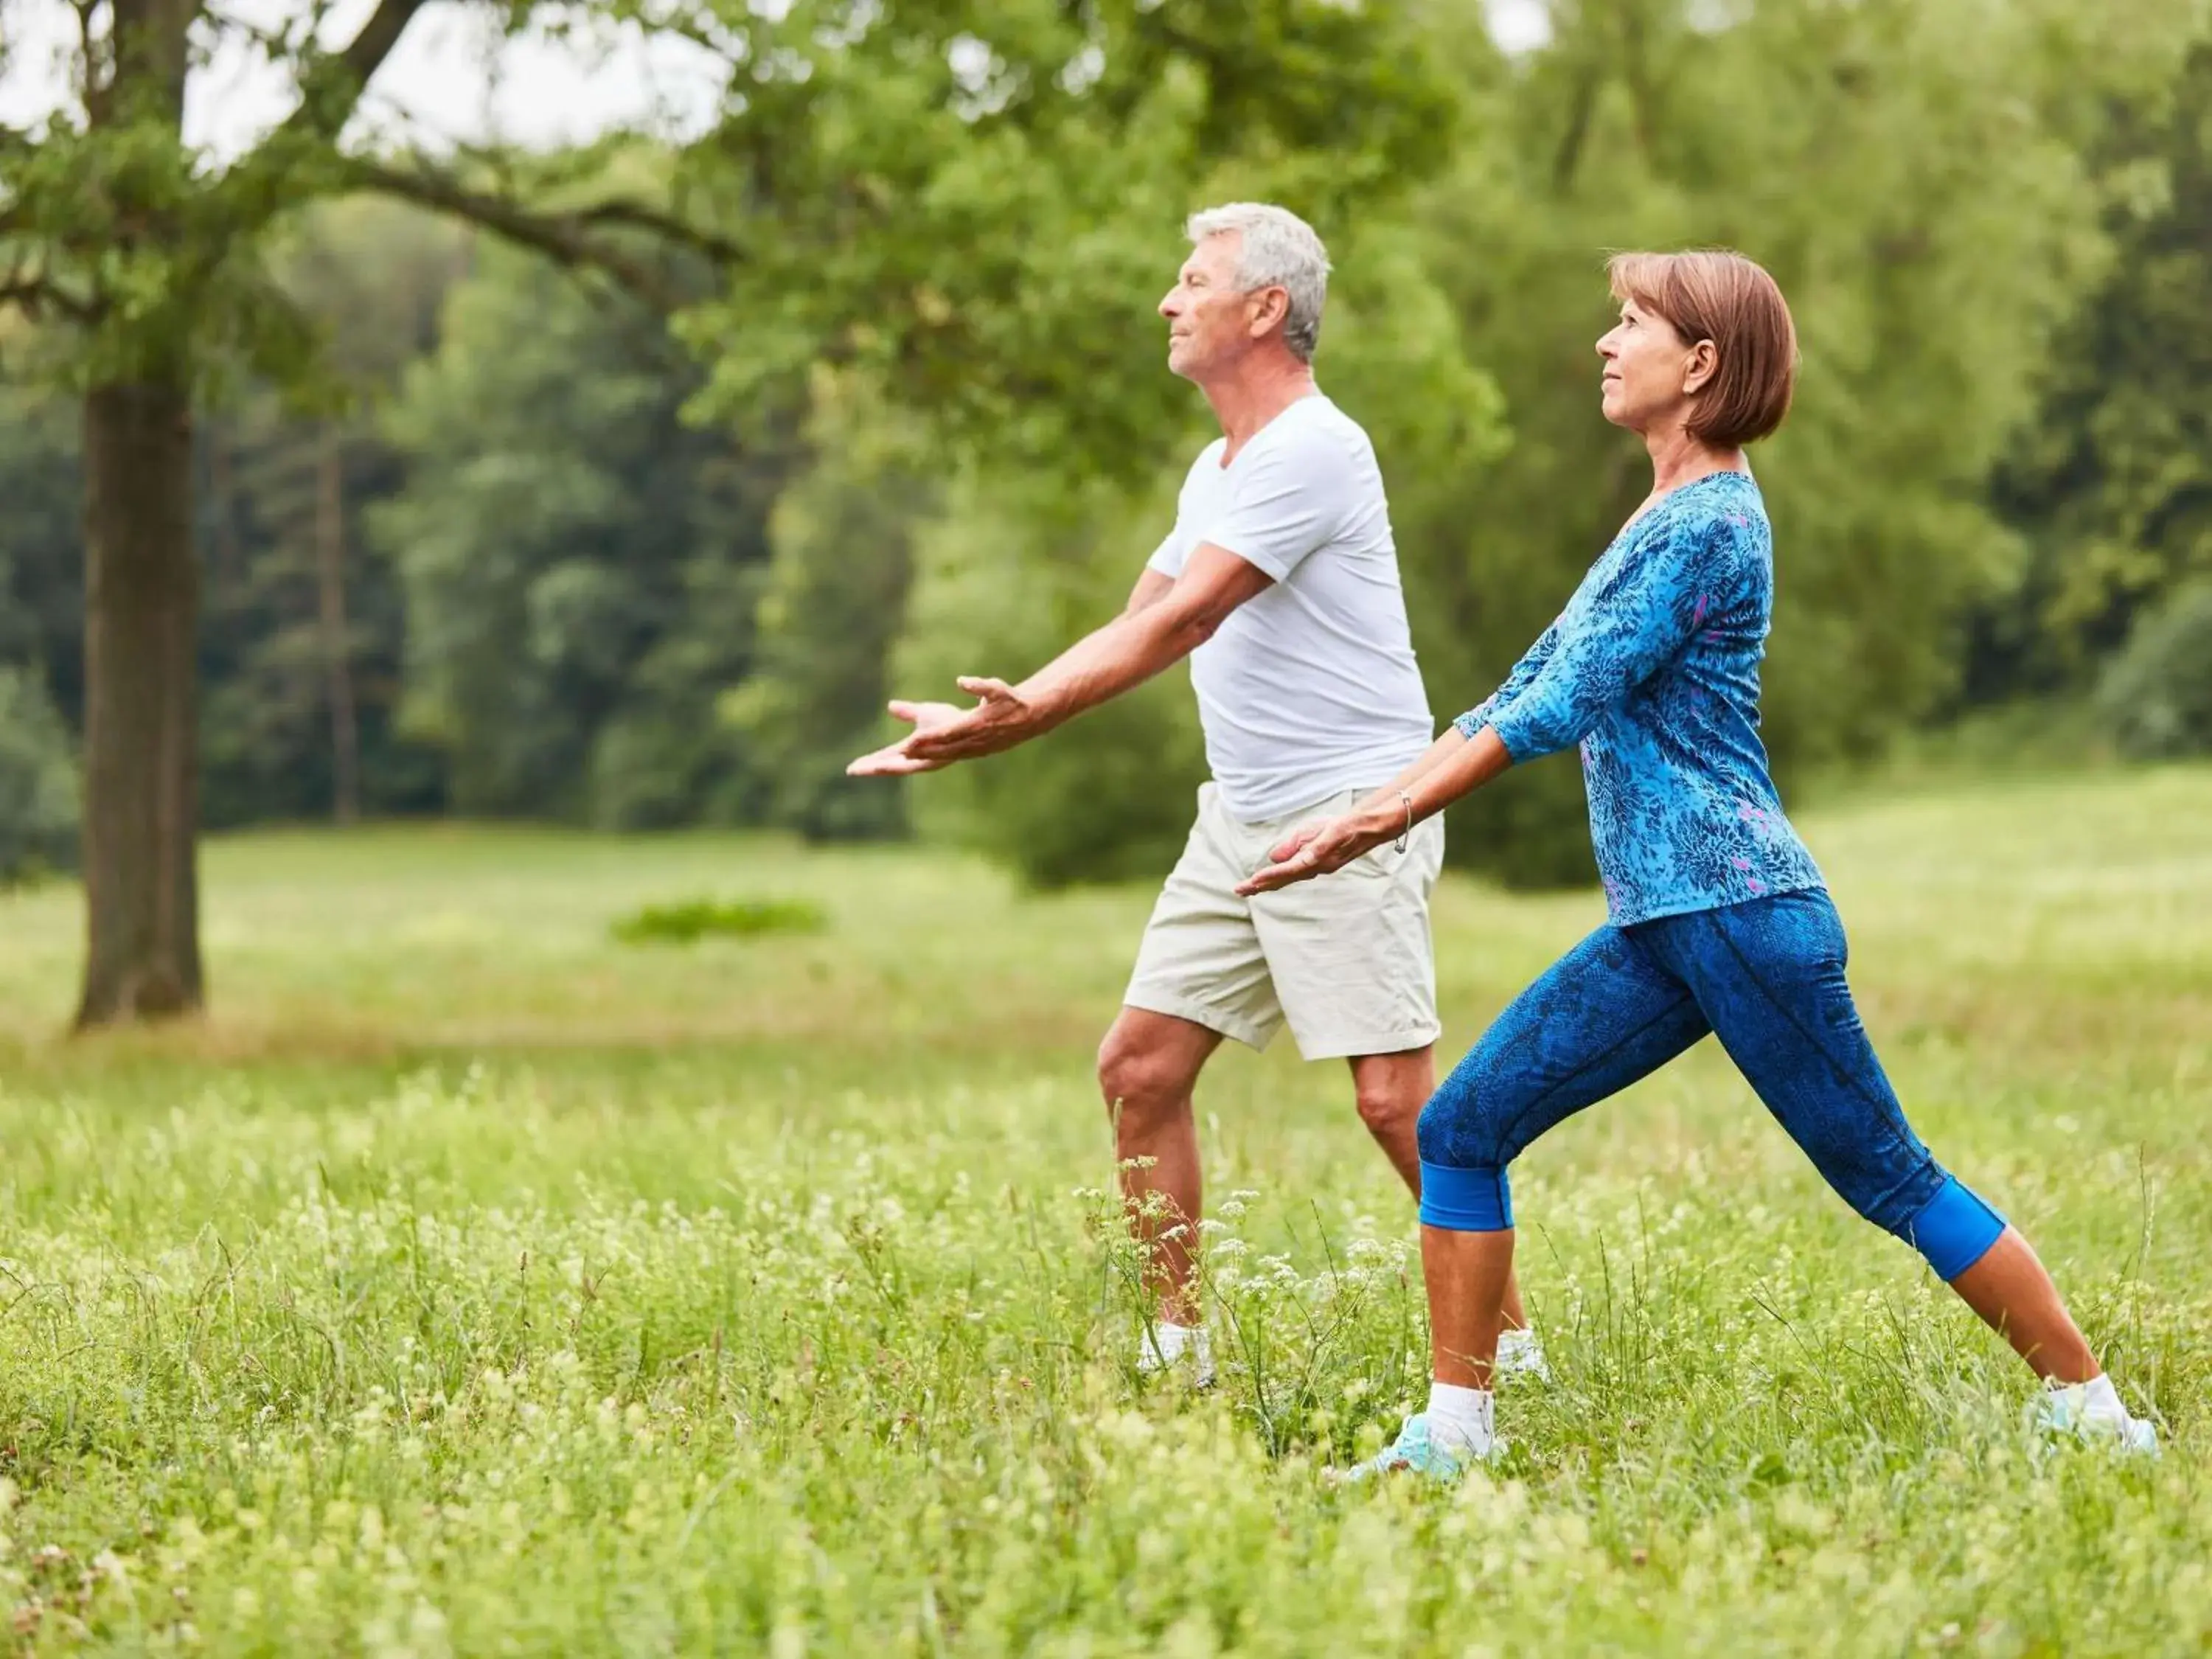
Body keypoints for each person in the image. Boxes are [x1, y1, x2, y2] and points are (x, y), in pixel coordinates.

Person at [1236, 248, 2159, 1474]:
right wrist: (1370, 802)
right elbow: (1524, 681)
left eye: (1634, 323)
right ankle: (1454, 1436)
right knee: (1461, 1127)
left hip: (1737, 906)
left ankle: (2094, 1414)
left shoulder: (1711, 521)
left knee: (1884, 1171)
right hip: (1667, 922)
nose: (1608, 343)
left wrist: (1379, 822)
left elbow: (1561, 702)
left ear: (1703, 365)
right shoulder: (1661, 512)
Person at [849, 201, 1540, 1385]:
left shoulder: (1318, 448)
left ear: (1264, 308)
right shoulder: (1212, 466)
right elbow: (1139, 614)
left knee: (1391, 1103)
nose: (1168, 302)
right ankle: (1178, 1351)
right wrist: (996, 711)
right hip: (1242, 814)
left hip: (1348, 812)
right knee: (1141, 1068)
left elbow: (1190, 617)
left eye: (1192, 280)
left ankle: (1511, 1350)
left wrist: (1025, 723)